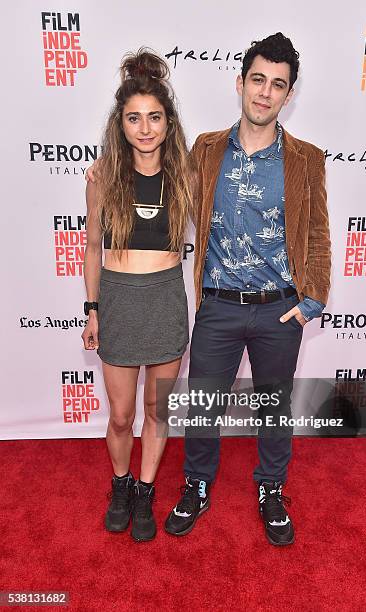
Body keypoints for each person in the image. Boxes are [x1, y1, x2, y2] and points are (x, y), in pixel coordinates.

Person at [164, 32, 331, 546]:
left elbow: (318, 234)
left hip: (280, 309)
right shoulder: (207, 150)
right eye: (257, 80)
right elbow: (169, 196)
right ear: (240, 84)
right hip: (218, 304)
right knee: (203, 405)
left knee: (275, 407)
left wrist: (312, 301)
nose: (265, 92)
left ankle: (272, 488)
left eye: (277, 85)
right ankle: (197, 483)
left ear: (289, 94)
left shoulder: (306, 158)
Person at [81, 48, 192, 542]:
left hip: (166, 299)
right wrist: (92, 309)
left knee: (157, 413)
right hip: (120, 299)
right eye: (134, 118)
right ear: (120, 124)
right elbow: (90, 248)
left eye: (154, 117)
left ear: (168, 122)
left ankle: (147, 491)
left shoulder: (187, 175)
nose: (144, 128)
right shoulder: (103, 175)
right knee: (122, 416)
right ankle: (121, 484)